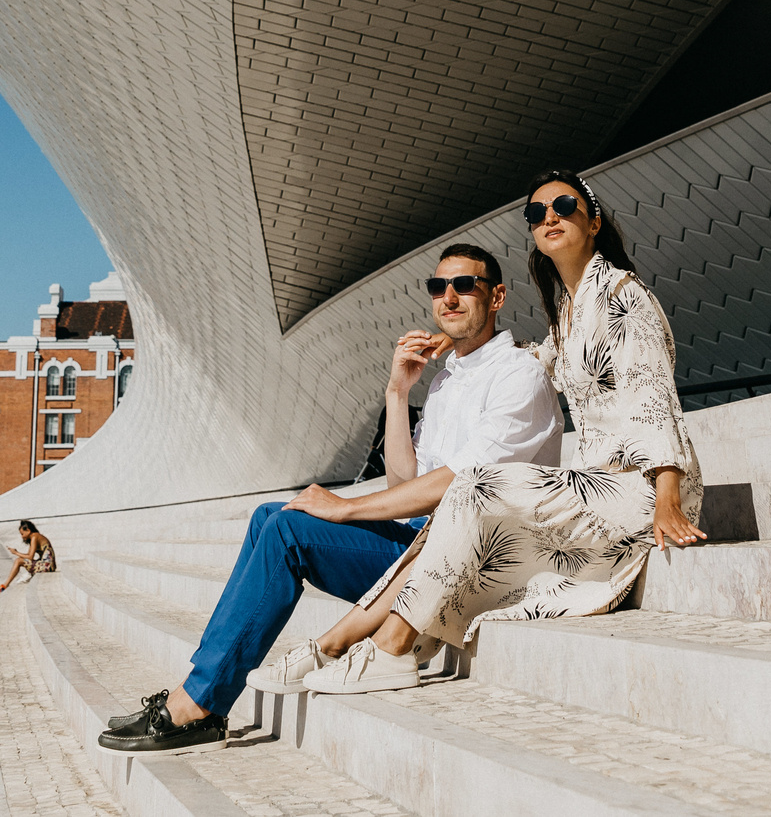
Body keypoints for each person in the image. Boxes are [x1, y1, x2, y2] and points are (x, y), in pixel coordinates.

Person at [102, 245, 560, 752]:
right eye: (438, 287)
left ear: (495, 295)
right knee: (267, 516)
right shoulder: (447, 379)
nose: (448, 298)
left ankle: (200, 703)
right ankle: (203, 688)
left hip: (461, 558)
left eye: (464, 285)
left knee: (288, 531)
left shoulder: (519, 373)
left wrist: (345, 507)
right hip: (418, 545)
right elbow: (402, 485)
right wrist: (396, 393)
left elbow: (461, 482)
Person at [298, 170, 705, 696]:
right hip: (598, 482)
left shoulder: (623, 294)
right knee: (468, 498)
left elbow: (654, 395)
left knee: (473, 483)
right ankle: (362, 642)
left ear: (595, 221)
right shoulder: (571, 306)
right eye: (537, 214)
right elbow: (557, 360)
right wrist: (466, 351)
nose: (550, 218)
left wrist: (667, 494)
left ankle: (389, 648)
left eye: (563, 206)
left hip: (641, 487)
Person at [0, 520, 56, 592]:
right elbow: (28, 555)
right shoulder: (34, 537)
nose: (22, 536)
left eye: (22, 534)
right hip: (47, 565)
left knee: (18, 561)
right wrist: (17, 553)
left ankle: (6, 584)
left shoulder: (35, 536)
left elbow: (30, 557)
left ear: (28, 531)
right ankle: (9, 583)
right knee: (19, 560)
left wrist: (16, 553)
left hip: (47, 566)